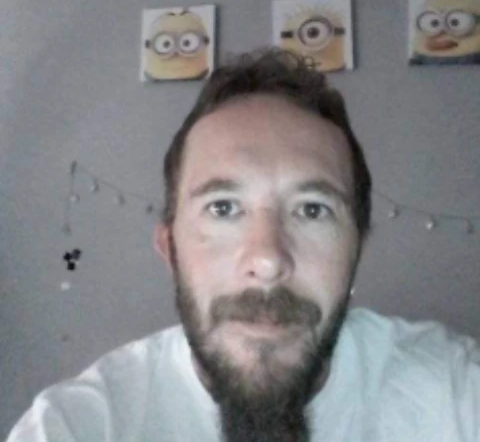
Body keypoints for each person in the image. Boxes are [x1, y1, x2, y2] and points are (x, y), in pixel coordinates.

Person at [6, 49, 480, 442]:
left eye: (313, 210)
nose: (267, 259)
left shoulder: (458, 396)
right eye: (223, 208)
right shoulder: (77, 426)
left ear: (358, 248)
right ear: (170, 249)